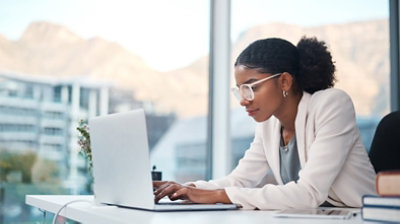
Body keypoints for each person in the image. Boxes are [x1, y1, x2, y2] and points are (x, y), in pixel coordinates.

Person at [153, 37, 376, 210]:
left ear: (285, 81)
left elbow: (309, 193)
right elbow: (239, 180)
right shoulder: (269, 124)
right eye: (239, 90)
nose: (243, 99)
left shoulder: (332, 104)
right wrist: (188, 189)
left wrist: (220, 195)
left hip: (362, 218)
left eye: (252, 87)